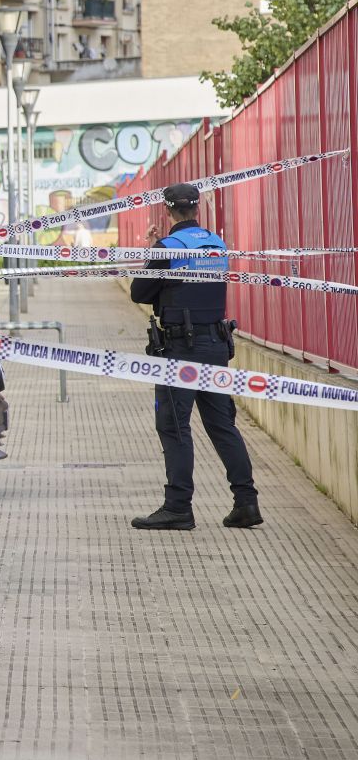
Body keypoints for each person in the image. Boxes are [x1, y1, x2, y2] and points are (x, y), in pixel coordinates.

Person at [130, 182, 261, 531]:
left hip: (180, 351)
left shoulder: (167, 247)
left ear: (168, 210)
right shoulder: (217, 245)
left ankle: (178, 507)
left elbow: (138, 292)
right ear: (196, 209)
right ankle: (246, 502)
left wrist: (152, 251)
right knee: (222, 425)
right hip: (216, 345)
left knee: (174, 425)